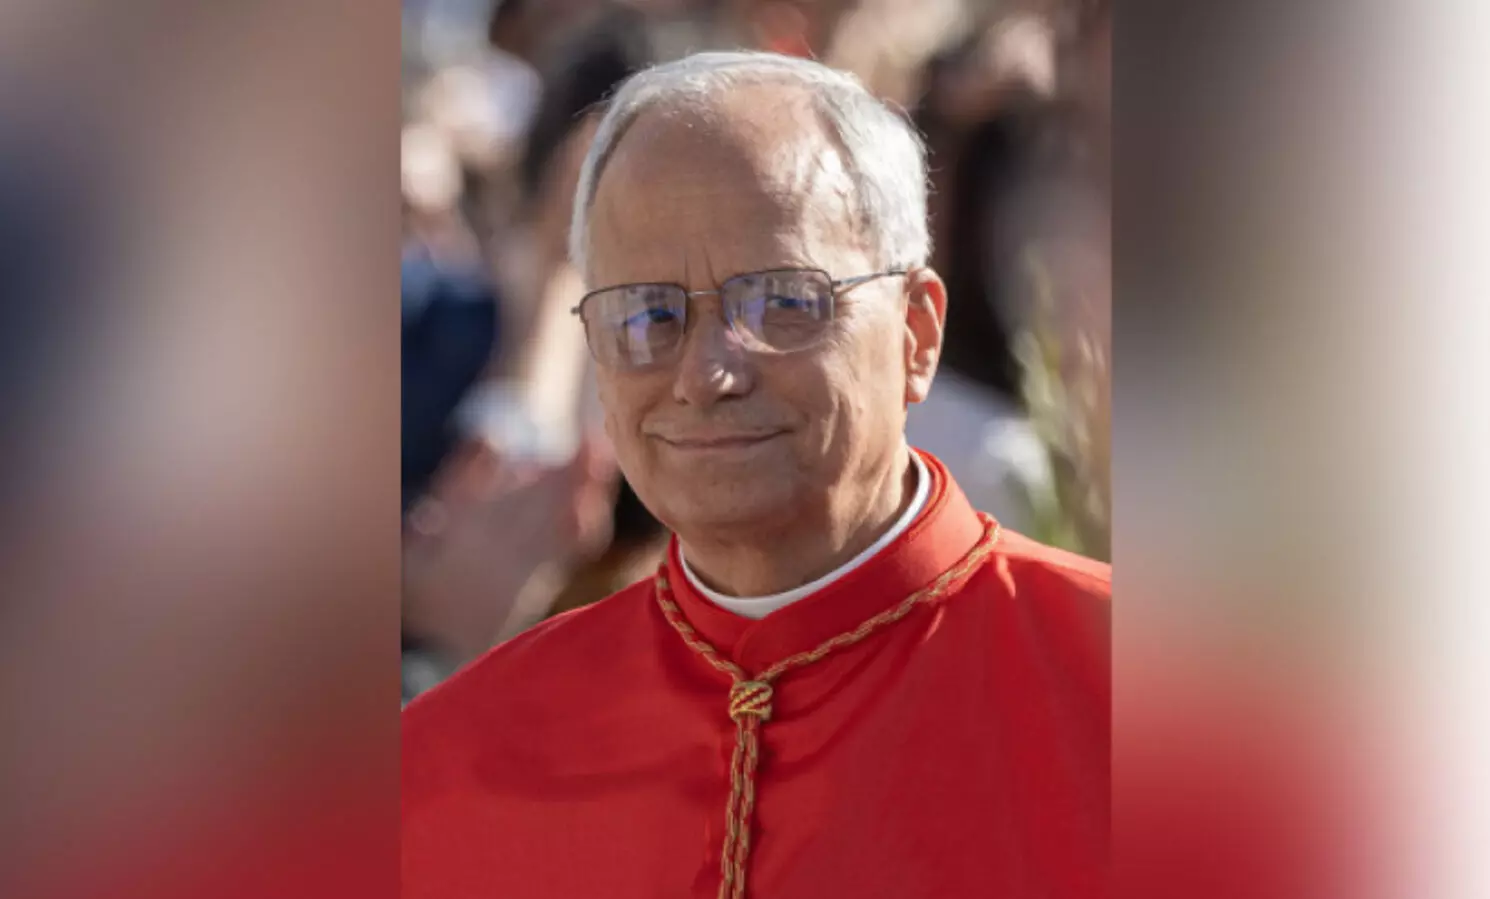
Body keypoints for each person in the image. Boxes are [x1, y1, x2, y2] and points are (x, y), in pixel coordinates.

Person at [403, 51, 1108, 899]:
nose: (707, 374)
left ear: (916, 333)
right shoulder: (452, 760)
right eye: (648, 315)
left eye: (784, 301)